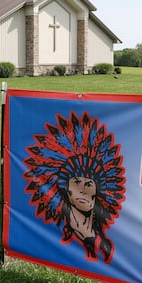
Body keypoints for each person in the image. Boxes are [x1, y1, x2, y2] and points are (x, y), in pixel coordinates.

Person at [23, 111, 126, 263]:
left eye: (89, 184)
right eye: (77, 182)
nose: (83, 190)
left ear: (98, 190)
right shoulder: (62, 231)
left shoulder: (104, 245)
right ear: (67, 190)